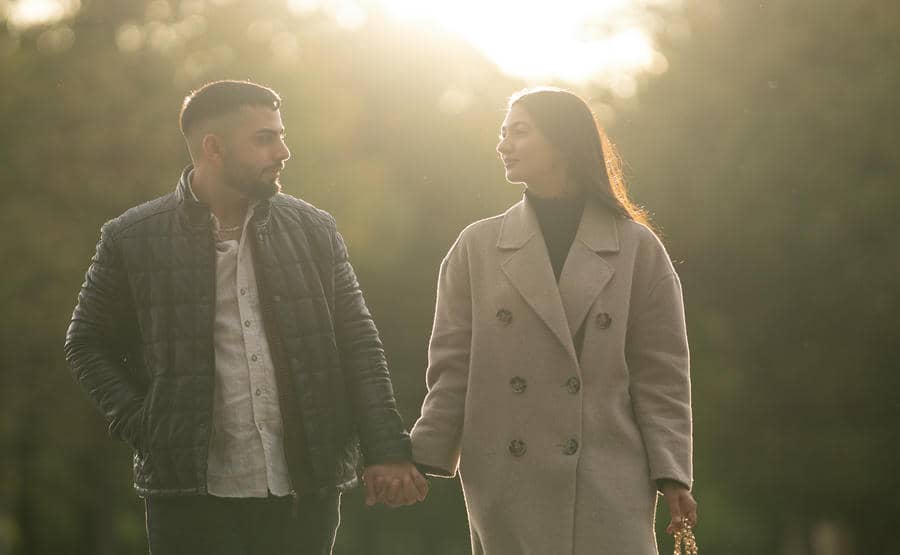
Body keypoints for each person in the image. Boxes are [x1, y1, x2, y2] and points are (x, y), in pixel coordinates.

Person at [64, 80, 426, 555]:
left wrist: (385, 450)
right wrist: (143, 423)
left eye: (280, 134)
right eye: (264, 138)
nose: (284, 151)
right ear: (213, 148)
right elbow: (86, 342)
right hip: (188, 496)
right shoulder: (131, 237)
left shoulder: (315, 230)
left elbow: (357, 342)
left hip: (305, 490)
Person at [409, 87, 697, 554]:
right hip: (506, 478)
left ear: (563, 141)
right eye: (502, 134)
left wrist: (672, 473)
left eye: (519, 132)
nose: (503, 145)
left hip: (609, 475)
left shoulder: (638, 248)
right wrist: (423, 456)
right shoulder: (476, 247)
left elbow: (661, 374)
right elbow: (451, 369)